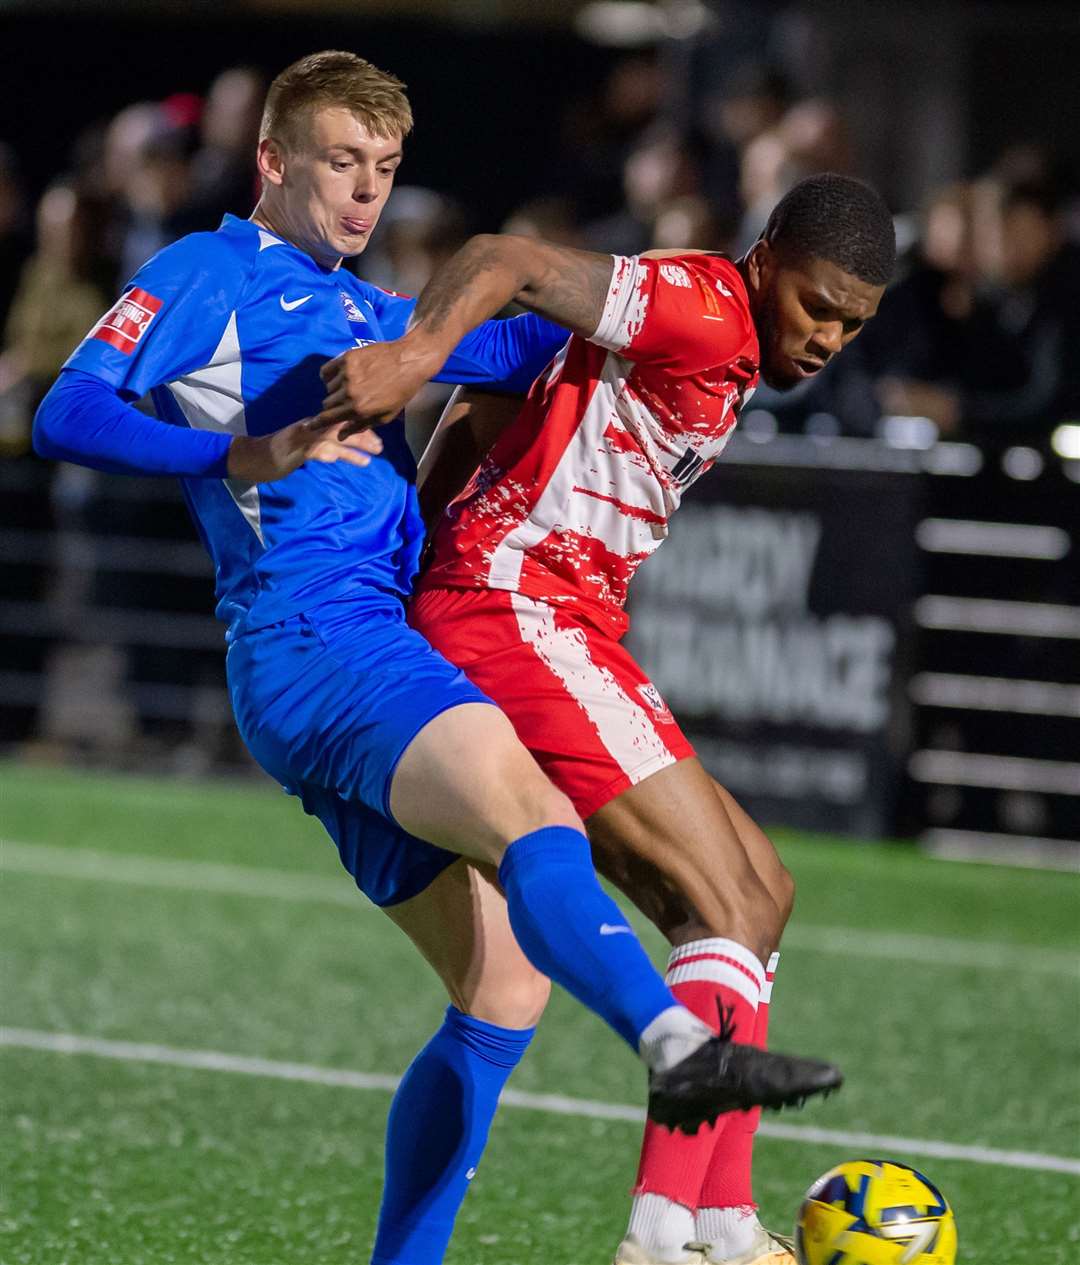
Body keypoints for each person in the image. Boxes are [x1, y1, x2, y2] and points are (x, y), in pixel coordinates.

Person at [32, 50, 841, 1265]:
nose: (364, 194)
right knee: (536, 815)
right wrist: (235, 457)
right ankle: (681, 1049)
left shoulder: (371, 311)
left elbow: (522, 347)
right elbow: (68, 410)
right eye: (341, 163)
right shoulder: (208, 273)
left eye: (385, 170)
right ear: (273, 160)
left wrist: (668, 324)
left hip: (351, 654)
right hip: (323, 641)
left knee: (504, 986)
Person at [321, 171, 893, 1265]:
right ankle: (660, 1235)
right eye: (818, 305)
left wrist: (436, 505)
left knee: (762, 889)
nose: (827, 339)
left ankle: (720, 1219)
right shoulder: (701, 301)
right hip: (515, 608)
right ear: (767, 258)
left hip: (553, 615)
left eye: (852, 325)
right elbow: (508, 258)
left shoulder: (732, 346)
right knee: (718, 899)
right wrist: (413, 354)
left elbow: (511, 399)